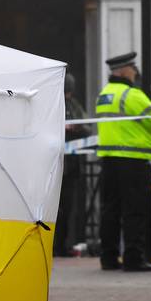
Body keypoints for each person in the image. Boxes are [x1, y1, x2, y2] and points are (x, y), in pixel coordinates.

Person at [95, 52, 151, 272]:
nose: (135, 73)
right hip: (133, 162)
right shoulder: (132, 95)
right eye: (133, 69)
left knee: (110, 211)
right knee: (134, 211)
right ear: (125, 70)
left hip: (109, 161)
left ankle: (108, 258)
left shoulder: (104, 94)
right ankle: (134, 259)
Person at [54, 73, 91, 257]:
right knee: (55, 208)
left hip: (71, 165)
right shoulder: (51, 103)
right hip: (53, 165)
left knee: (67, 207)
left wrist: (75, 128)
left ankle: (62, 245)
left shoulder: (73, 105)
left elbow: (86, 127)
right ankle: (55, 245)